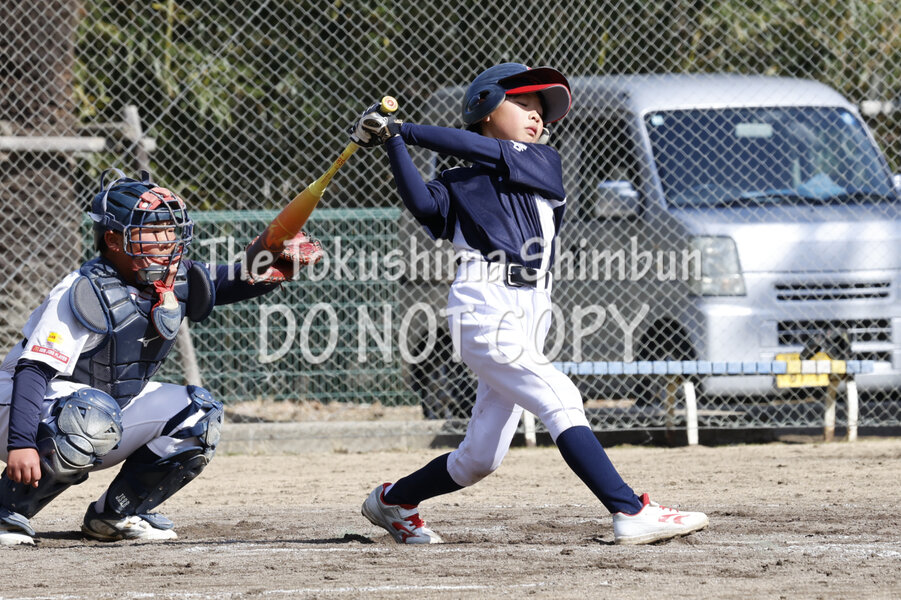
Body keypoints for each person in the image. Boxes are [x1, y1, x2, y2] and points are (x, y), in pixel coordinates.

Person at [350, 63, 709, 545]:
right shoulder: (457, 181)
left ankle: (393, 500)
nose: (537, 116)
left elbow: (483, 150)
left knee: (480, 458)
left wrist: (402, 129)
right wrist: (393, 142)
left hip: (531, 309)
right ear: (484, 107)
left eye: (540, 110)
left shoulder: (542, 160)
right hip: (484, 302)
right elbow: (423, 204)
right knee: (560, 397)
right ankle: (629, 510)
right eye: (522, 104)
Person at [0, 169, 322, 545]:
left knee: (198, 414)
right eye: (153, 230)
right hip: (19, 410)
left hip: (93, 415)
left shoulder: (174, 279)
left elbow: (233, 281)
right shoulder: (83, 290)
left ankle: (115, 514)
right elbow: (33, 371)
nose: (167, 239)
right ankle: (6, 509)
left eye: (170, 229)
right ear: (114, 240)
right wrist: (21, 443)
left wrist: (279, 265)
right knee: (91, 414)